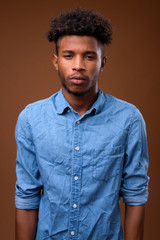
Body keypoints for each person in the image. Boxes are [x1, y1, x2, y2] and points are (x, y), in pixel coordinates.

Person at [15, 8, 149, 240]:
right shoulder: (30, 118)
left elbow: (135, 196)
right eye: (68, 56)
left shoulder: (129, 119)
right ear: (56, 61)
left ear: (103, 62)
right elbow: (27, 197)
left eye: (89, 56)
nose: (78, 65)